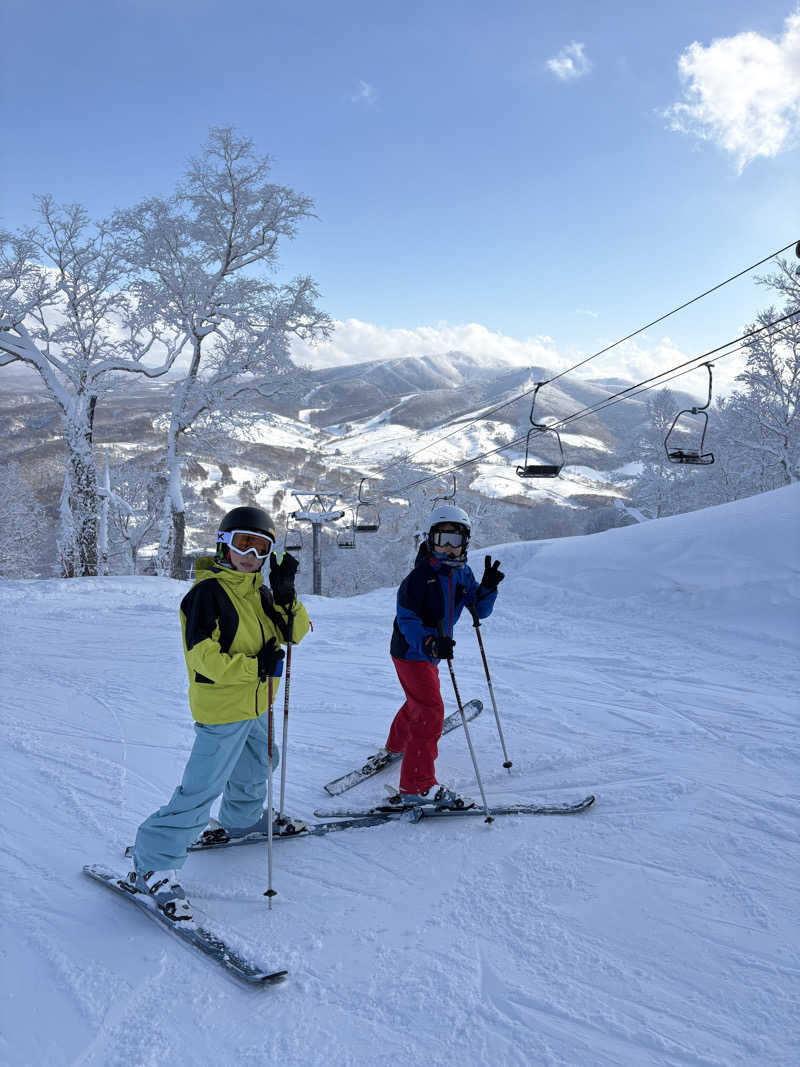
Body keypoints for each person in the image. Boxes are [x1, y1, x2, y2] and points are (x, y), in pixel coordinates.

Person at [127, 505, 310, 920]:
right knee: (202, 785)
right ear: (224, 543)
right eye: (242, 542)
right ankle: (153, 861)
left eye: (260, 546)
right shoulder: (205, 594)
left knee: (257, 766)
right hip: (224, 707)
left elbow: (294, 634)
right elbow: (203, 657)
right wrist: (254, 667)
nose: (250, 554)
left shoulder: (261, 592)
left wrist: (287, 600)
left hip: (258, 702)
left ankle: (242, 818)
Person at [382, 504, 504, 809]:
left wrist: (487, 588)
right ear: (429, 539)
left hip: (432, 651)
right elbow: (407, 619)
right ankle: (416, 787)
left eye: (455, 540)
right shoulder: (418, 578)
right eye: (441, 539)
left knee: (419, 701)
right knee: (430, 710)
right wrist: (429, 643)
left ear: (465, 542)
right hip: (412, 651)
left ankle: (395, 746)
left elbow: (479, 609)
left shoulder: (463, 573)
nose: (448, 548)